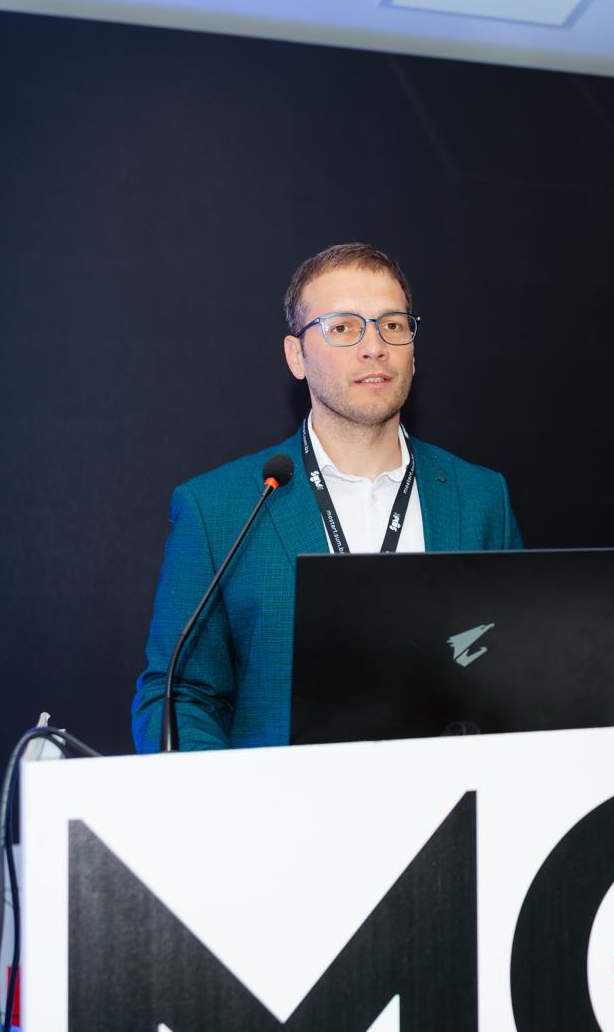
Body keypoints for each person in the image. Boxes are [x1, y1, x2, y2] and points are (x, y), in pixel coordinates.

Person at [131, 243, 522, 752]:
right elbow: (178, 697)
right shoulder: (219, 508)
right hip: (282, 800)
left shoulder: (480, 497)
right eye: (343, 327)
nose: (374, 347)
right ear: (296, 356)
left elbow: (513, 679)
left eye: (392, 325)